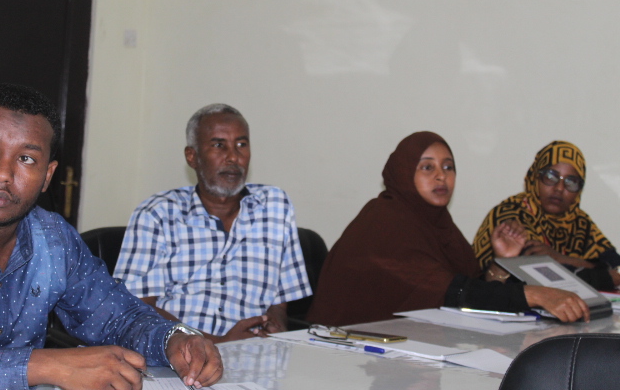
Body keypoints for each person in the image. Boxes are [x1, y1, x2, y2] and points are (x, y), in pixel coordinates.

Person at [0, 84, 222, 390]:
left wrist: (174, 340)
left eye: (26, 158)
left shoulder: (53, 239)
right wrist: (44, 365)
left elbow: (118, 318)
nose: (2, 174)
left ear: (47, 176)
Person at [306, 131, 590, 327]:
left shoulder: (437, 224)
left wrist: (501, 264)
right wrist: (537, 295)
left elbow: (466, 290)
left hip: (406, 347)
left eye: (448, 167)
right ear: (404, 173)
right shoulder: (384, 222)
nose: (441, 176)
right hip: (349, 353)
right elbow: (451, 292)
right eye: (427, 168)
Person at [113, 103, 311, 343]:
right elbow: (136, 307)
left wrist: (275, 322)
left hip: (255, 352)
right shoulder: (157, 214)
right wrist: (214, 343)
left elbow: (280, 299)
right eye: (219, 145)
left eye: (241, 145)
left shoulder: (275, 206)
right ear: (192, 157)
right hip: (178, 353)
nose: (233, 157)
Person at [473, 140, 620, 291]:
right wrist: (604, 276)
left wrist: (560, 259)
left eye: (571, 181)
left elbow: (616, 266)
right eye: (551, 176)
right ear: (535, 176)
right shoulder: (511, 214)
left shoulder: (581, 222)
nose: (559, 188)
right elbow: (536, 281)